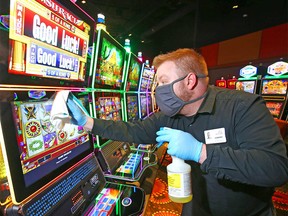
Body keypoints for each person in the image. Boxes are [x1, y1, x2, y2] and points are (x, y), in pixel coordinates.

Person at [66, 48, 288, 216]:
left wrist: (202, 152)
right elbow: (136, 130)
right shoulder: (171, 114)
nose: (156, 91)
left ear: (190, 80)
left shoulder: (242, 106)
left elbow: (275, 168)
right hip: (194, 207)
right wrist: (88, 123)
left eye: (163, 82)